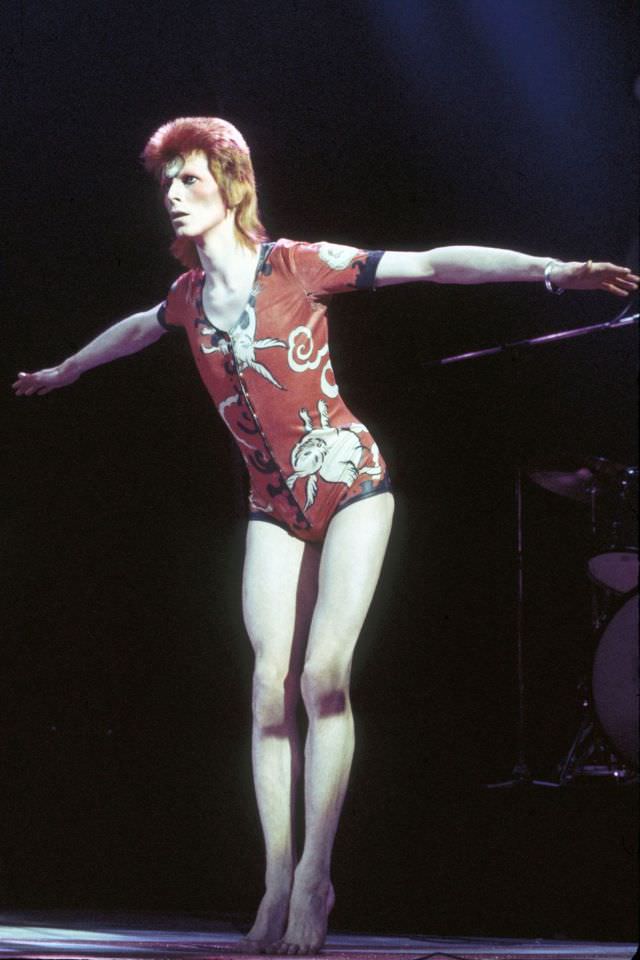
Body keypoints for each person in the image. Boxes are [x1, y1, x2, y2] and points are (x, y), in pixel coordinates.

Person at [12, 117, 638, 954]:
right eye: (166, 184)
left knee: (323, 676)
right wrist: (69, 369)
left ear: (232, 184)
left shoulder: (296, 266)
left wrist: (553, 272)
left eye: (190, 180)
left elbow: (430, 264)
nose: (173, 196)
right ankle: (276, 877)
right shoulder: (187, 299)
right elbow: (137, 327)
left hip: (350, 483)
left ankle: (317, 875)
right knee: (267, 688)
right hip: (272, 502)